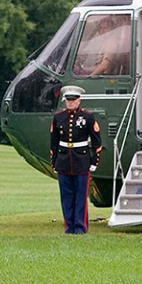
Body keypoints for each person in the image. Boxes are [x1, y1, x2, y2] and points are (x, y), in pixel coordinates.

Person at [50, 85, 102, 234]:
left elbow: (96, 141)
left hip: (81, 161)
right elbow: (53, 141)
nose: (70, 102)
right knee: (66, 197)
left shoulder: (88, 117)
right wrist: (54, 161)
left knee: (80, 198)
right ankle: (69, 227)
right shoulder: (58, 117)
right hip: (64, 161)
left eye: (73, 100)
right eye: (68, 100)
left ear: (79, 100)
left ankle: (80, 228)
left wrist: (94, 161)